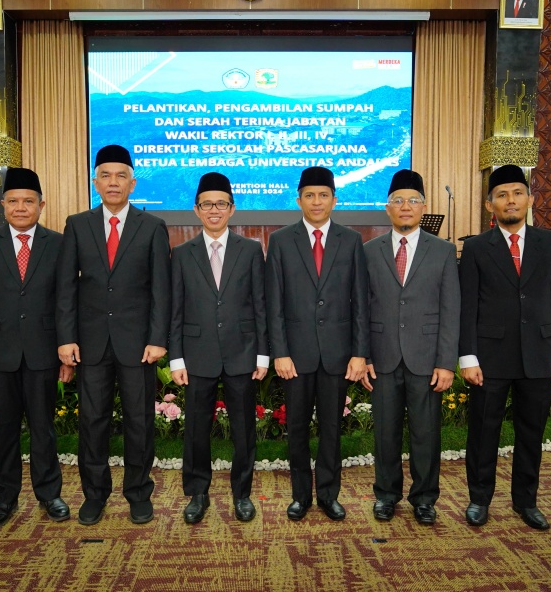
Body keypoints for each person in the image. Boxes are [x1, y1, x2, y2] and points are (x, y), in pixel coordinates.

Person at [57, 145, 171, 526]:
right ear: (95, 182)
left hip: (138, 344)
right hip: (91, 342)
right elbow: (66, 287)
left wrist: (158, 338)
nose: (113, 182)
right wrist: (66, 337)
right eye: (105, 175)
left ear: (132, 183)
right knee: (92, 422)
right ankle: (95, 495)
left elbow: (161, 289)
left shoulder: (152, 226)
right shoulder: (77, 225)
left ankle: (138, 493)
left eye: (121, 176)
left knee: (140, 422)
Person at [458, 164, 551, 530]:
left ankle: (526, 501)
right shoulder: (476, 248)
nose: (511, 200)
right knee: (483, 432)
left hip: (539, 354)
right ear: (489, 204)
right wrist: (468, 356)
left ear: (530, 199)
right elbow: (467, 305)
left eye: (517, 193)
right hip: (490, 356)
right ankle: (479, 499)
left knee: (531, 433)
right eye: (502, 195)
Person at [0, 168, 73, 529]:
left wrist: (66, 352)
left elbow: (65, 300)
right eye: (13, 201)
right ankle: (4, 499)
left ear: (42, 205)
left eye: (28, 201)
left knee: (44, 428)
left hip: (44, 352)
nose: (21, 207)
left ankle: (49, 494)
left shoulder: (58, 243)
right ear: (3, 204)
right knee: (5, 429)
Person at [266, 166, 369, 522]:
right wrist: (280, 352)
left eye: (323, 195)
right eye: (309, 195)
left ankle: (328, 494)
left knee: (331, 429)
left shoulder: (351, 240)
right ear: (299, 200)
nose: (316, 201)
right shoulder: (281, 240)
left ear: (334, 200)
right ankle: (300, 496)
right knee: (296, 429)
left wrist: (359, 352)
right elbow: (274, 303)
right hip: (295, 356)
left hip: (337, 355)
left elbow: (360, 301)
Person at [360, 169, 460, 525]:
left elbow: (451, 309)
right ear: (387, 207)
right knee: (385, 433)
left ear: (423, 207)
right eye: (398, 201)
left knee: (425, 433)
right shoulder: (368, 251)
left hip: (427, 358)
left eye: (413, 200)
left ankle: (424, 498)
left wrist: (446, 362)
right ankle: (386, 495)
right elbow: (362, 308)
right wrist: (364, 355)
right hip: (383, 358)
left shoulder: (443, 251)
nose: (405, 206)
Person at [169, 172, 269, 524]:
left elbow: (261, 305)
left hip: (243, 353)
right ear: (196, 209)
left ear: (232, 208)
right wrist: (176, 358)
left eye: (221, 204)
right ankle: (198, 493)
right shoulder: (182, 253)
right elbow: (175, 309)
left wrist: (263, 353)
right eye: (207, 204)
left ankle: (242, 494)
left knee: (244, 430)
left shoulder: (251, 250)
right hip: (197, 355)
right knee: (196, 430)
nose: (214, 210)